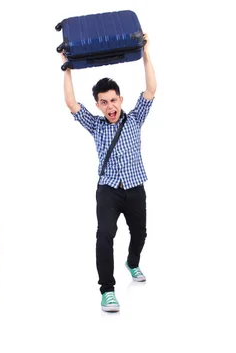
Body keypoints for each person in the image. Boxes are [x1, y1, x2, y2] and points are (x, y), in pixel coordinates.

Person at [62, 34, 157, 312]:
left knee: (140, 232)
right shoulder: (96, 126)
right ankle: (107, 290)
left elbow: (151, 89)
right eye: (103, 102)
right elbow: (70, 103)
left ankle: (133, 261)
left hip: (135, 186)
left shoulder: (135, 118)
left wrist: (146, 54)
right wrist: (67, 68)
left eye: (113, 100)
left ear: (120, 99)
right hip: (108, 189)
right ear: (98, 105)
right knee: (104, 234)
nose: (110, 106)